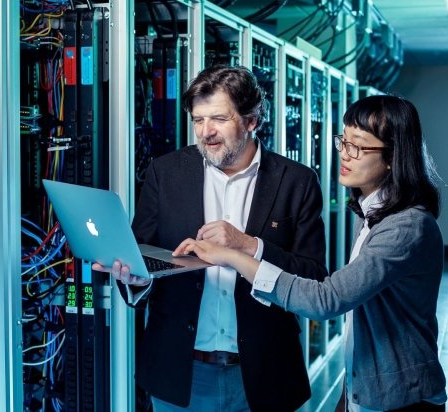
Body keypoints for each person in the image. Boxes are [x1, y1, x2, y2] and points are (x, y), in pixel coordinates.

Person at [175, 95, 448, 411]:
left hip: (402, 397)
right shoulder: (372, 215)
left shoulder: (405, 227)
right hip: (367, 388)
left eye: (357, 147)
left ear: (392, 157)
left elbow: (326, 299)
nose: (344, 155)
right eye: (343, 142)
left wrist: (234, 256)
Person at [96, 64, 328, 412]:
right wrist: (134, 279)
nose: (206, 132)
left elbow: (312, 276)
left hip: (264, 375)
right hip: (181, 372)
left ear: (251, 121)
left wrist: (249, 246)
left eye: (219, 118)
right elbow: (141, 251)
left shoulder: (296, 181)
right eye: (198, 120)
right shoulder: (166, 172)